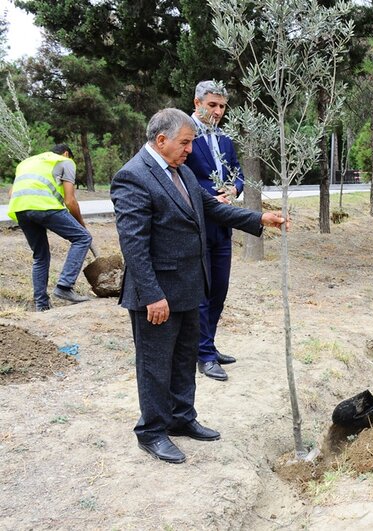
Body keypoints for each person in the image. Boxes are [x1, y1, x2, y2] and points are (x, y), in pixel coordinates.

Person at [111, 108, 286, 464]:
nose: (190, 150)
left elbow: (212, 209)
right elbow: (133, 245)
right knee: (155, 365)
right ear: (161, 141)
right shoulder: (133, 177)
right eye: (185, 142)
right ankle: (152, 432)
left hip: (190, 286)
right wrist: (152, 295)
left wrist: (259, 218)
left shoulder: (181, 172)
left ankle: (181, 418)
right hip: (157, 294)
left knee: (183, 358)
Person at [185, 80, 244, 382]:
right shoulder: (184, 134)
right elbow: (180, 174)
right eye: (212, 105)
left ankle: (208, 344)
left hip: (224, 223)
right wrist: (211, 195)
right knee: (203, 291)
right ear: (197, 103)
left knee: (220, 288)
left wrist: (234, 188)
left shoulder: (224, 139)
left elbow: (238, 173)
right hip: (197, 223)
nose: (219, 111)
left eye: (222, 106)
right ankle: (204, 355)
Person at [7, 144, 93, 311]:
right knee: (83, 238)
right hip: (43, 206)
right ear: (66, 153)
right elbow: (70, 201)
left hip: (20, 209)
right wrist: (82, 227)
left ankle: (42, 305)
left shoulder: (27, 162)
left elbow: (11, 192)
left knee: (40, 256)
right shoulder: (65, 161)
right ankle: (64, 286)